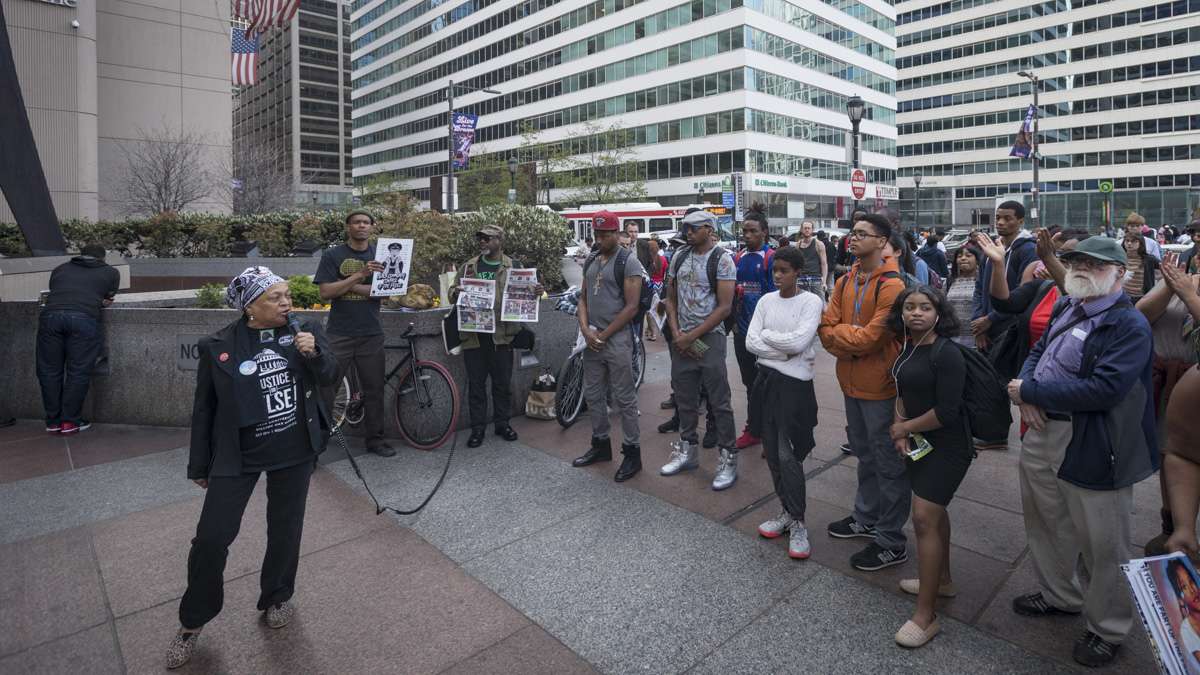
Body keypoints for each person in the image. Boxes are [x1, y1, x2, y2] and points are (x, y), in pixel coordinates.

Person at [165, 267, 338, 669]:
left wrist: (316, 353)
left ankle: (277, 597)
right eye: (274, 298)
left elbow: (330, 376)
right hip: (237, 455)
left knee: (285, 528)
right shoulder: (220, 345)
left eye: (285, 295)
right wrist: (198, 463)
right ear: (250, 309)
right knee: (211, 538)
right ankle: (192, 622)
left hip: (294, 449)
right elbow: (204, 410)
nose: (285, 302)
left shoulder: (304, 331)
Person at [1006, 236, 1157, 668]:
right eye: (1076, 261)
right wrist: (1029, 394)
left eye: (1094, 263)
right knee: (1046, 520)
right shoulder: (1067, 304)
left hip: (1094, 440)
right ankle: (1060, 595)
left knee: (1103, 540)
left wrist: (1030, 390)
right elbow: (1038, 351)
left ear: (1120, 274)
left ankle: (1108, 628)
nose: (1082, 268)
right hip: (1042, 426)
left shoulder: (1128, 325)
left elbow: (1106, 389)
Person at [818, 213, 910, 571]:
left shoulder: (892, 285)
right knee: (865, 454)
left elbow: (874, 337)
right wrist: (847, 340)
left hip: (881, 388)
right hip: (851, 382)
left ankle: (891, 540)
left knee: (888, 463)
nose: (852, 239)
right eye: (852, 234)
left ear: (882, 241)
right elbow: (826, 327)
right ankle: (866, 517)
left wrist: (842, 338)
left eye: (861, 234)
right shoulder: (846, 279)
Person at [886, 286, 972, 648]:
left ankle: (927, 616)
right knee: (933, 515)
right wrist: (900, 430)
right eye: (910, 307)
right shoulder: (908, 347)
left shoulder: (948, 352)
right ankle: (943, 580)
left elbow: (948, 412)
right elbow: (902, 392)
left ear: (939, 312)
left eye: (925, 307)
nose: (916, 313)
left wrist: (903, 428)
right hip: (919, 443)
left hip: (949, 446)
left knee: (922, 517)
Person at [748, 246, 823, 560]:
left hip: (795, 391)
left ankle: (799, 521)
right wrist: (786, 352)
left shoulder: (811, 301)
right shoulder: (766, 301)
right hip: (766, 385)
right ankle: (787, 512)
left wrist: (771, 341)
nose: (777, 275)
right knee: (773, 456)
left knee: (789, 455)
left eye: (784, 270)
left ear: (797, 271)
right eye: (774, 270)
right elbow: (751, 342)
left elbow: (800, 342)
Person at [660, 209, 740, 490]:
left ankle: (728, 457)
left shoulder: (723, 260)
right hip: (681, 336)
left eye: (693, 228)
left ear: (709, 228)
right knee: (685, 398)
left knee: (719, 401)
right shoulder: (679, 256)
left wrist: (690, 336)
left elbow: (724, 307)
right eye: (685, 228)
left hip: (710, 339)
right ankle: (687, 450)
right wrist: (677, 332)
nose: (688, 233)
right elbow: (669, 299)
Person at [572, 210, 645, 482]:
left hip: (617, 340)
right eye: (597, 233)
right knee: (593, 395)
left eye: (606, 233)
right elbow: (582, 298)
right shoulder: (591, 259)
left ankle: (632, 452)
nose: (601, 238)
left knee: (624, 398)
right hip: (592, 339)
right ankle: (600, 444)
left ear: (617, 233)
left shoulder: (629, 262)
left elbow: (632, 306)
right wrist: (585, 329)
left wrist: (604, 334)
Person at [315, 211, 393, 457]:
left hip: (371, 333)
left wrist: (347, 284)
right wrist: (360, 276)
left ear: (372, 227)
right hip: (339, 333)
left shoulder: (380, 256)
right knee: (327, 388)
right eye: (357, 222)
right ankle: (315, 444)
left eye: (366, 222)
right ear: (348, 226)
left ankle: (376, 441)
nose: (361, 226)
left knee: (375, 390)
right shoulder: (332, 255)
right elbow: (326, 292)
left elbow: (385, 292)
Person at [450, 225, 533, 448]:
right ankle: (477, 429)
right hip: (474, 336)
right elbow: (451, 293)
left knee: (502, 385)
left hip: (503, 336)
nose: (482, 242)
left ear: (499, 240)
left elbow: (526, 295)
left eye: (487, 238)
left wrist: (534, 292)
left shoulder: (514, 266)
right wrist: (455, 292)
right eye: (480, 239)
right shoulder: (469, 266)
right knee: (476, 386)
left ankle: (502, 424)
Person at [1138, 256, 1200, 554]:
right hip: (1168, 385)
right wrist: (1171, 288)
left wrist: (1190, 297)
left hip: (1191, 382)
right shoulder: (1184, 282)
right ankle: (1173, 527)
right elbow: (1141, 315)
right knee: (1171, 453)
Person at [36, 243, 120, 434]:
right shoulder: (110, 272)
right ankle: (70, 422)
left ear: (81, 255)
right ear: (102, 258)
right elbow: (106, 301)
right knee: (78, 371)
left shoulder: (60, 269)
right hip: (83, 318)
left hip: (50, 317)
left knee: (49, 371)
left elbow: (55, 291)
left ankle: (53, 421)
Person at [731, 206, 775, 451]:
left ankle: (770, 432)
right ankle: (754, 429)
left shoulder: (771, 258)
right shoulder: (737, 258)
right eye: (744, 230)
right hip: (742, 332)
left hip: (765, 335)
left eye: (752, 231)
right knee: (750, 384)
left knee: (767, 385)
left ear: (764, 233)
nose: (746, 235)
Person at [972, 201, 1038, 351]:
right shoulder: (991, 248)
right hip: (985, 330)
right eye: (998, 218)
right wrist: (978, 324)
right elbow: (979, 288)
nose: (1000, 223)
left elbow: (1024, 293)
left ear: (1020, 221)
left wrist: (991, 319)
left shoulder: (1029, 250)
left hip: (1011, 331)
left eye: (1007, 218)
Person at [944, 247, 980, 347]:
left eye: (968, 256)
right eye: (959, 256)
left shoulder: (983, 279)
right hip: (952, 337)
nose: (963, 258)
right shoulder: (950, 280)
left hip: (977, 338)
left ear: (977, 260)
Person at [794, 220, 828, 298]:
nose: (807, 230)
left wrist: (824, 282)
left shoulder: (819, 244)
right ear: (801, 230)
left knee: (820, 303)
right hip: (801, 278)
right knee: (802, 303)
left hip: (815, 278)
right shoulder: (798, 245)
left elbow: (824, 263)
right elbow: (795, 263)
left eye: (809, 228)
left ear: (812, 230)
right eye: (805, 228)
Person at [645, 238, 667, 342]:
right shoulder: (662, 259)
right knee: (659, 308)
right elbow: (664, 273)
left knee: (649, 310)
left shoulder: (647, 259)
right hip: (660, 284)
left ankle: (652, 332)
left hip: (650, 284)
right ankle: (661, 329)